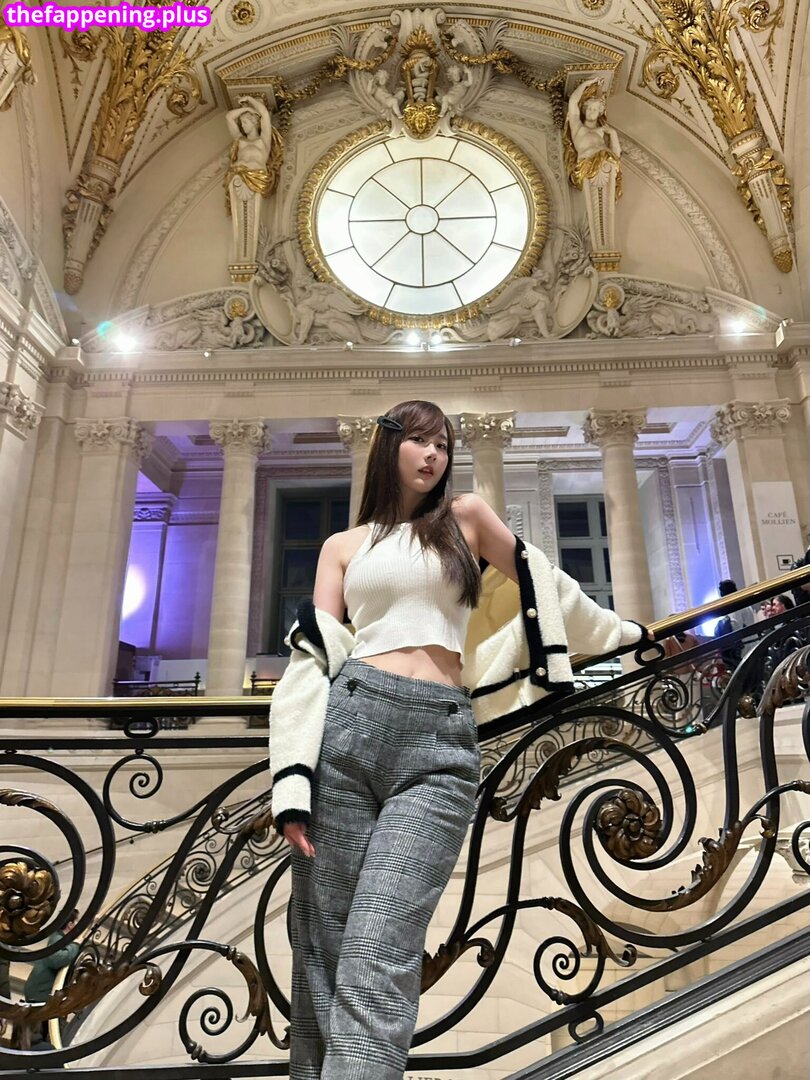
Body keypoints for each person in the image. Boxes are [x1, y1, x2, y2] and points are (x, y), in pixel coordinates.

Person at [269, 400, 649, 1080]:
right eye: (418, 439)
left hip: (438, 743)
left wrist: (627, 635)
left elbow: (546, 583)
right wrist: (292, 780)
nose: (432, 454)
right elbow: (313, 662)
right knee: (323, 944)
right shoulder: (342, 548)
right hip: (347, 731)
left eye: (442, 444)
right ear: (388, 446)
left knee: (379, 950)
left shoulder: (465, 519)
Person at [23, 911, 80, 1005]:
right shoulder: (57, 939)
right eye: (77, 921)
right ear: (70, 925)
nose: (79, 924)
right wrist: (75, 945)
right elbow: (57, 960)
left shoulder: (62, 938)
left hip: (40, 990)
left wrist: (93, 923)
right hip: (39, 992)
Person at [713, 578, 755, 672]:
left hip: (743, 650)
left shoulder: (734, 605)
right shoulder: (744, 603)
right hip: (751, 644)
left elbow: (735, 626)